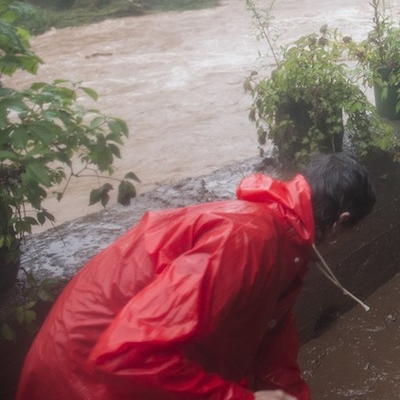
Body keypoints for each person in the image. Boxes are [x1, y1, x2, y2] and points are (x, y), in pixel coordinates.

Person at [16, 152, 376, 400]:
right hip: (79, 377)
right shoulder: (247, 240)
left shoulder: (287, 245)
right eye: (352, 236)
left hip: (115, 363)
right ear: (342, 222)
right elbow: (129, 355)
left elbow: (273, 357)